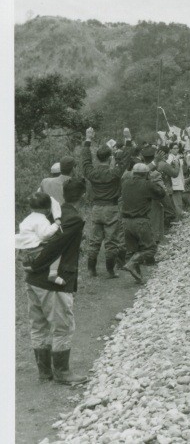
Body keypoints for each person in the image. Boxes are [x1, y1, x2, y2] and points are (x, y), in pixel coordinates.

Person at [24, 177, 88, 384]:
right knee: (63, 326)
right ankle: (62, 372)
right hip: (51, 281)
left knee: (38, 324)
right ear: (84, 196)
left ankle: (44, 372)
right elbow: (55, 245)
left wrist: (31, 265)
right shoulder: (74, 219)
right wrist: (37, 264)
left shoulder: (52, 213)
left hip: (33, 280)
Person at [81, 127, 133, 278]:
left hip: (96, 208)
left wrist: (88, 140)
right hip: (111, 208)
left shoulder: (92, 172)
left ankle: (91, 269)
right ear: (110, 158)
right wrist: (128, 140)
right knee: (111, 241)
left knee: (94, 240)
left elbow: (85, 161)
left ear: (97, 158)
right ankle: (110, 271)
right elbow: (125, 160)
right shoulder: (114, 173)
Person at [119, 163, 167, 283]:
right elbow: (162, 193)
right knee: (150, 249)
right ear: (146, 174)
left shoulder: (125, 184)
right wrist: (151, 180)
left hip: (125, 222)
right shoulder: (147, 184)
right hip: (141, 221)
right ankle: (132, 263)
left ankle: (138, 278)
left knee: (133, 250)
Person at [16, 192, 64, 286]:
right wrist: (56, 224)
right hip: (35, 250)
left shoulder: (28, 218)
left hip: (25, 249)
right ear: (47, 209)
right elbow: (44, 235)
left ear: (31, 207)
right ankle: (53, 274)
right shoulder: (42, 219)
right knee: (57, 250)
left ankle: (29, 266)